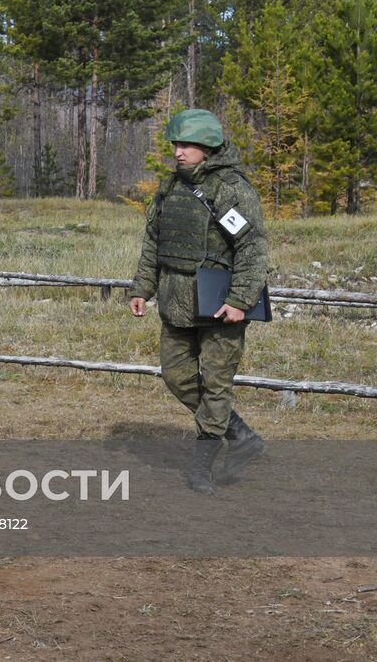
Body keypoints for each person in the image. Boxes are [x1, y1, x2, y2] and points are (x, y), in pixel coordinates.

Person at [129, 108, 270, 494]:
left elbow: (252, 248)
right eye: (176, 144)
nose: (178, 151)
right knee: (176, 376)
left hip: (219, 306)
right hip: (175, 303)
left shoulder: (230, 189)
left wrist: (240, 300)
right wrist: (142, 289)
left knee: (216, 383)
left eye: (187, 145)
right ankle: (240, 435)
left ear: (207, 147)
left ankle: (202, 468)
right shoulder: (170, 187)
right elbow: (154, 242)